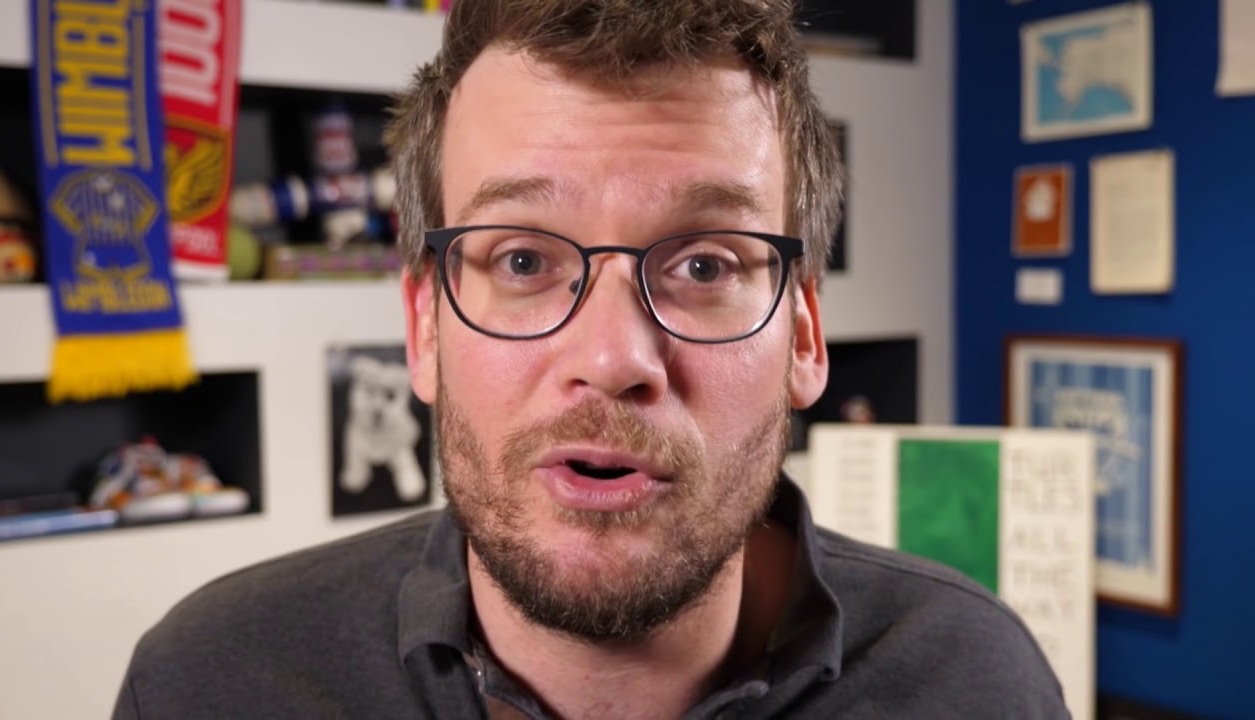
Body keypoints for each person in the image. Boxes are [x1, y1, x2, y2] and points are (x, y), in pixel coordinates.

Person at [112, 1, 1070, 718]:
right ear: (425, 329)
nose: (612, 357)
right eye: (523, 261)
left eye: (705, 265)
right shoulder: (208, 684)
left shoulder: (976, 684)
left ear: (805, 335)